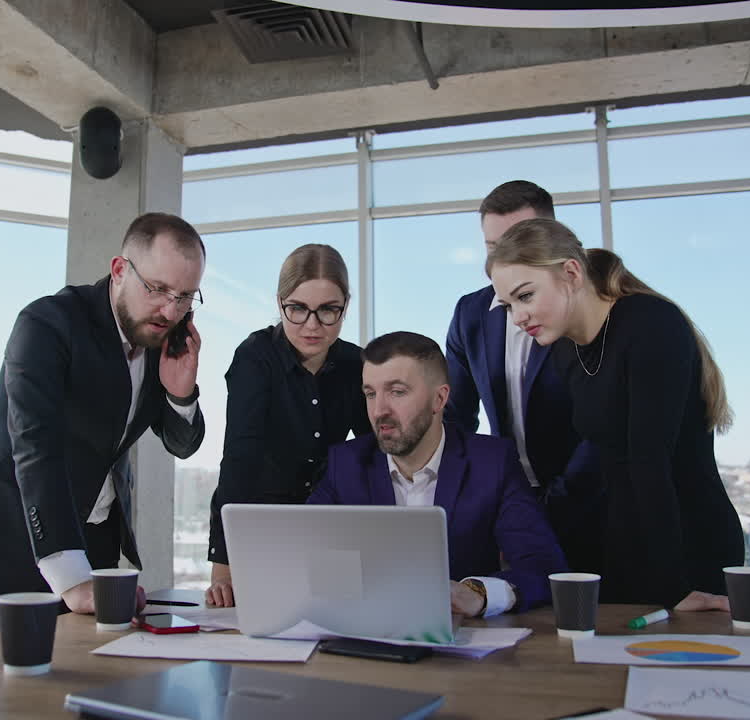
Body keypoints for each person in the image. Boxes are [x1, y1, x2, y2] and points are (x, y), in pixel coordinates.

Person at [0, 212, 207, 637]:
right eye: (158, 289)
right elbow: (35, 446)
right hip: (16, 526)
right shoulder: (47, 324)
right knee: (16, 669)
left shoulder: (161, 337)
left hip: (95, 530)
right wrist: (69, 577)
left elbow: (183, 445)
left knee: (89, 661)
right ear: (120, 270)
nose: (171, 310)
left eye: (185, 297)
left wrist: (180, 393)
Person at [486, 217, 744, 611]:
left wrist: (672, 586)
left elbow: (649, 460)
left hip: (688, 544)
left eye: (525, 296)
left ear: (570, 273)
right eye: (508, 306)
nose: (517, 318)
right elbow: (601, 464)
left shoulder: (650, 323)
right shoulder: (563, 350)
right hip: (626, 546)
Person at [309, 332, 567, 617]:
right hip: (368, 636)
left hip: (462, 644)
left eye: (397, 391)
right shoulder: (346, 464)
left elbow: (544, 567)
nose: (379, 410)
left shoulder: (492, 463)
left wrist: (478, 594)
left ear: (439, 398)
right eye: (371, 393)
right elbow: (304, 556)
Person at [445, 180, 599, 571]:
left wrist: (553, 506)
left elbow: (601, 430)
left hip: (593, 500)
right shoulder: (470, 315)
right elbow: (455, 418)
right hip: (509, 503)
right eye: (493, 249)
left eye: (518, 240)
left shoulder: (585, 309)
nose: (504, 260)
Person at [205, 244, 370, 608]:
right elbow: (239, 460)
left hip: (330, 527)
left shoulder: (355, 363)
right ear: (280, 303)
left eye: (328, 310)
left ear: (345, 306)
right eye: (297, 309)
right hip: (263, 529)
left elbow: (372, 451)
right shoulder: (255, 357)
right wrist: (223, 564)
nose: (312, 325)